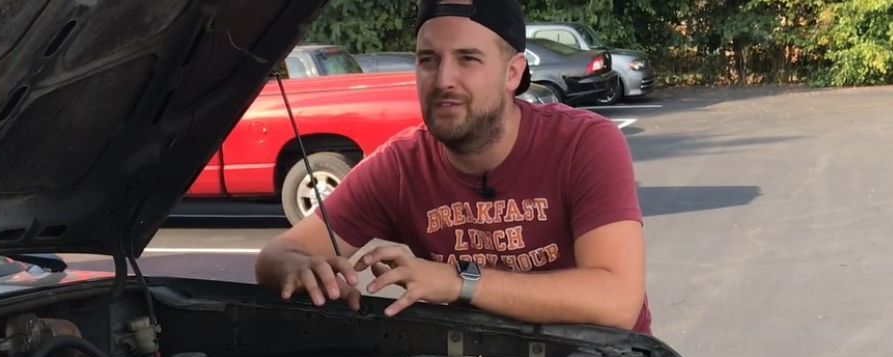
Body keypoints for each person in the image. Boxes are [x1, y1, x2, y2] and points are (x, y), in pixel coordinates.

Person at [253, 0, 652, 333]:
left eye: (467, 59)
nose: (444, 78)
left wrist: (459, 282)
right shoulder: (401, 165)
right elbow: (278, 254)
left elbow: (616, 301)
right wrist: (301, 269)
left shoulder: (584, 144)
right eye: (428, 60)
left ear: (513, 73)